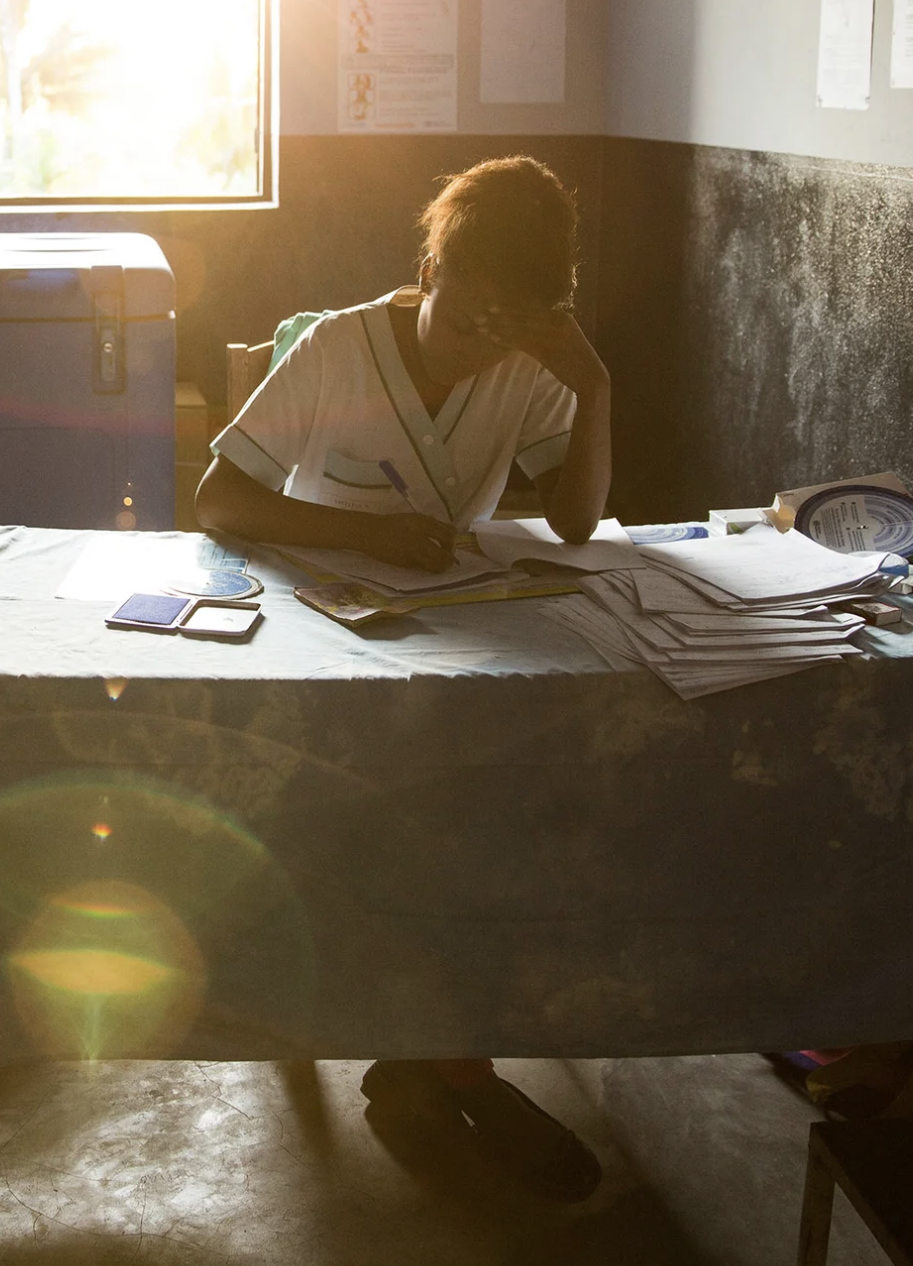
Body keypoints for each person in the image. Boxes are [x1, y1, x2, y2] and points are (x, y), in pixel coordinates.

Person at [193, 155, 610, 1202]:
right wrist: (369, 529)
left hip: (440, 644)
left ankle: (439, 1062)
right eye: (468, 314)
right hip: (314, 649)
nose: (482, 344)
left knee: (507, 800)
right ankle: (434, 1064)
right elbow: (219, 503)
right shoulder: (338, 348)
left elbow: (570, 520)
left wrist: (592, 381)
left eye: (510, 324)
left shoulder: (522, 361)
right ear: (430, 267)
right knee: (416, 816)